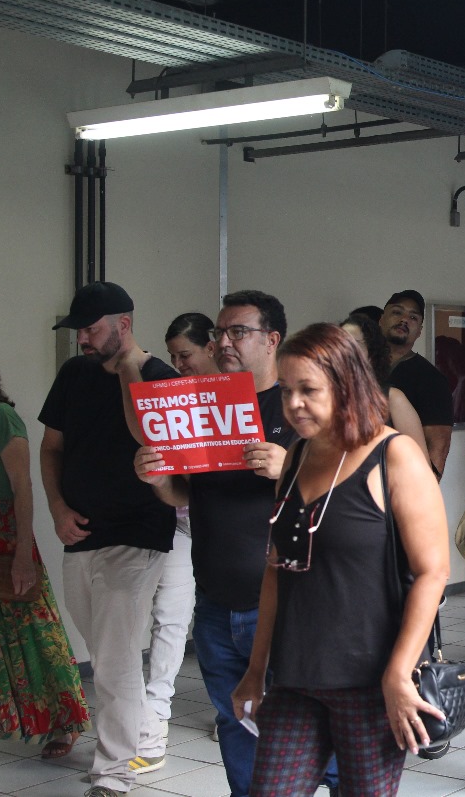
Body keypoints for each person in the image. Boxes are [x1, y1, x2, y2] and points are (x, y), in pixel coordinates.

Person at [230, 323, 450, 795]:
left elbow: (434, 571)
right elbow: (276, 570)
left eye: (308, 390)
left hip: (369, 680)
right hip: (294, 674)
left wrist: (397, 673)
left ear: (346, 384)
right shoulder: (295, 457)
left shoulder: (394, 455)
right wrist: (255, 669)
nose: (293, 404)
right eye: (287, 391)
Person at [131, 291, 311, 797]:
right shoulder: (203, 404)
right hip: (213, 601)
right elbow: (185, 494)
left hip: (280, 601)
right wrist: (157, 477)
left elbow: (339, 493)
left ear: (272, 340)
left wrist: (287, 468)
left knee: (290, 723)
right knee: (234, 721)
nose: (224, 342)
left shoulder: (299, 406)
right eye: (219, 333)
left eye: (239, 332)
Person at [39, 281, 179, 797]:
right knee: (102, 648)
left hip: (138, 533)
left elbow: (147, 434)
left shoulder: (160, 376)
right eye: (78, 330)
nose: (82, 340)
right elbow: (51, 447)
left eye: (91, 329)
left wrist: (128, 370)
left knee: (115, 658)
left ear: (124, 323)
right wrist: (56, 507)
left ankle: (113, 773)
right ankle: (139, 734)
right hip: (80, 533)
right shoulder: (74, 374)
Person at [0, 349, 90, 755]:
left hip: (5, 539)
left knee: (35, 632)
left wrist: (24, 554)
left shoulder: (0, 418)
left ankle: (66, 723)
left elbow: (21, 487)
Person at [142, 315, 213, 728]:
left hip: (228, 527)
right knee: (169, 618)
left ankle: (237, 710)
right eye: (171, 356)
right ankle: (154, 720)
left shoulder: (235, 394)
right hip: (183, 520)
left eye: (184, 354)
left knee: (233, 623)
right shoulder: (172, 398)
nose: (178, 363)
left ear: (210, 346)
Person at [380, 290, 455, 477]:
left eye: (413, 317)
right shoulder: (358, 367)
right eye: (397, 312)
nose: (404, 320)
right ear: (381, 319)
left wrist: (423, 496)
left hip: (398, 486)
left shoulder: (430, 379)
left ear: (420, 331)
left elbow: (438, 448)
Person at [341, 314, 429, 459]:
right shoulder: (324, 398)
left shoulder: (393, 399)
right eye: (338, 343)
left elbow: (422, 468)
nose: (343, 350)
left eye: (353, 344)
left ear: (371, 353)